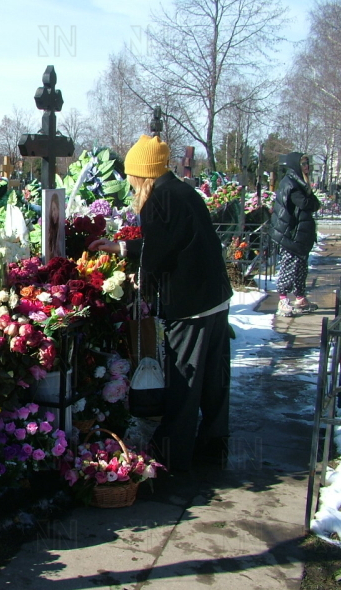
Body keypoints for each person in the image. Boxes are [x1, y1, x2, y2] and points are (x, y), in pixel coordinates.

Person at [89, 135, 233, 472]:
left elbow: (157, 254)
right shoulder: (182, 192)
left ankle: (172, 455)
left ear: (141, 173)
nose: (128, 182)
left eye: (130, 176)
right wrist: (120, 247)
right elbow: (173, 242)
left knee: (185, 380)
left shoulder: (159, 200)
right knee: (214, 382)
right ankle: (214, 447)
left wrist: (143, 281)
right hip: (214, 299)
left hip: (191, 304)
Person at [269, 153, 320, 317]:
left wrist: (312, 200)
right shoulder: (291, 183)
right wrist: (312, 200)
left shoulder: (299, 182)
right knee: (289, 266)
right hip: (290, 233)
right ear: (296, 165)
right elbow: (306, 203)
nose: (307, 166)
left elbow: (313, 203)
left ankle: (300, 298)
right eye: (304, 163)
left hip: (300, 234)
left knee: (300, 267)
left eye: (307, 163)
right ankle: (282, 299)